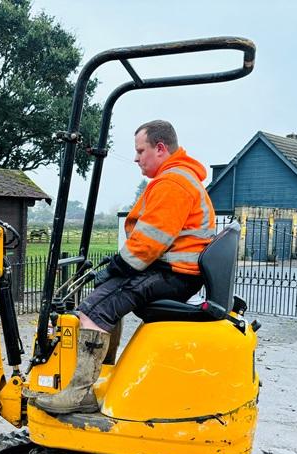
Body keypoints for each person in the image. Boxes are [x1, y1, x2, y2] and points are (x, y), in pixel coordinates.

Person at [33, 120, 216, 415]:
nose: (136, 158)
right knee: (105, 298)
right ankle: (101, 377)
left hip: (173, 273)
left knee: (94, 310)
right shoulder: (180, 178)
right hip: (174, 271)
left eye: (140, 150)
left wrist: (118, 265)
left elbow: (150, 242)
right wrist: (114, 270)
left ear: (160, 148)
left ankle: (79, 395)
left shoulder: (173, 183)